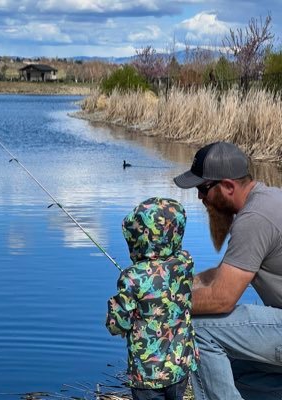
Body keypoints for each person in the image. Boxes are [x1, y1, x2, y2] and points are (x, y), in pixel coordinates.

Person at [173, 141, 282, 400]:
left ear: (228, 186)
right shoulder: (269, 200)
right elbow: (225, 274)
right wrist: (177, 285)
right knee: (233, 373)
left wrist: (163, 304)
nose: (200, 197)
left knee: (200, 327)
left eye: (203, 188)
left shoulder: (254, 219)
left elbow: (221, 299)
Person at [106, 197, 199, 400]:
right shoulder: (185, 262)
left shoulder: (132, 277)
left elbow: (117, 325)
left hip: (147, 374)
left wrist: (115, 304)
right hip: (180, 367)